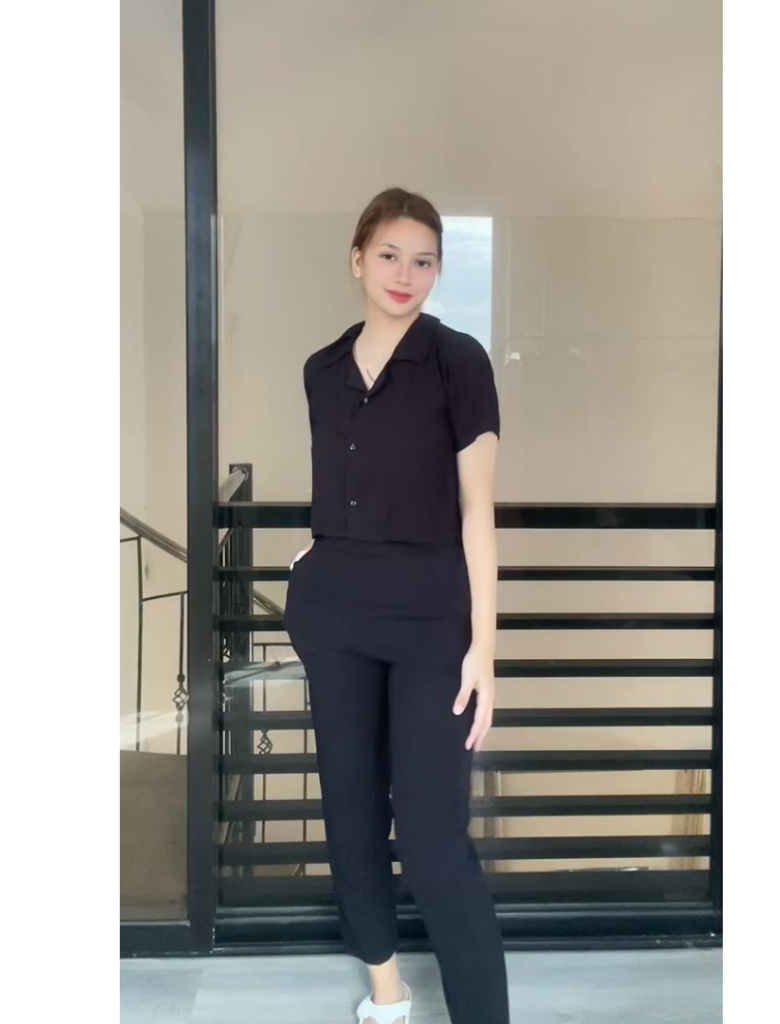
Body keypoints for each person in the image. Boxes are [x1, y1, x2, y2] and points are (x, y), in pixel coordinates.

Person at [283, 187, 510, 1024]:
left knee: (431, 836)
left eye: (423, 260)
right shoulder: (322, 371)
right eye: (388, 255)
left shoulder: (458, 361)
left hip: (429, 621)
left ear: (439, 271)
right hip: (337, 615)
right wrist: (318, 549)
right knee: (349, 816)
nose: (404, 273)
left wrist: (483, 649)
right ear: (357, 259)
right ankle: (387, 994)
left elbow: (477, 510)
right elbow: (345, 485)